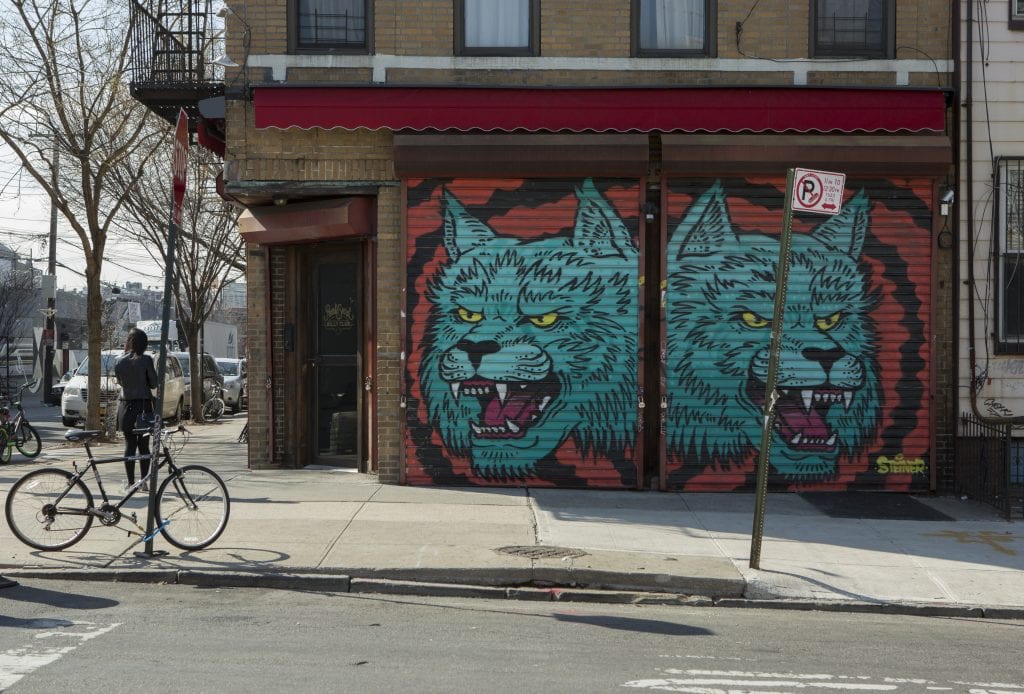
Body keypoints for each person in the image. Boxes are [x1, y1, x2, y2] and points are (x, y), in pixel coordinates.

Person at [114, 328, 158, 491]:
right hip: (143, 407)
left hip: (126, 406)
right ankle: (144, 481)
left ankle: (131, 482)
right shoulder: (146, 360)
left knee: (129, 445)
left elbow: (120, 382)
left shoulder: (119, 360)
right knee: (144, 446)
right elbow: (154, 383)